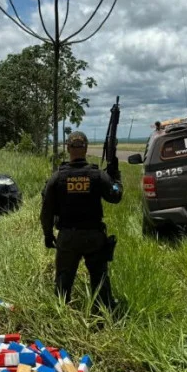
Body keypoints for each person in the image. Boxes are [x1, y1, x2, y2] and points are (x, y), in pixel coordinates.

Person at [40, 131, 123, 311]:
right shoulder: (97, 175)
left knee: (63, 278)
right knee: (99, 277)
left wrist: (48, 235)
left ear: (68, 148)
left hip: (68, 236)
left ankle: (61, 313)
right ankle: (103, 313)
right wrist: (116, 178)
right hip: (94, 236)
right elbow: (116, 195)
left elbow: (46, 210)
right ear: (85, 148)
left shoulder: (57, 177)